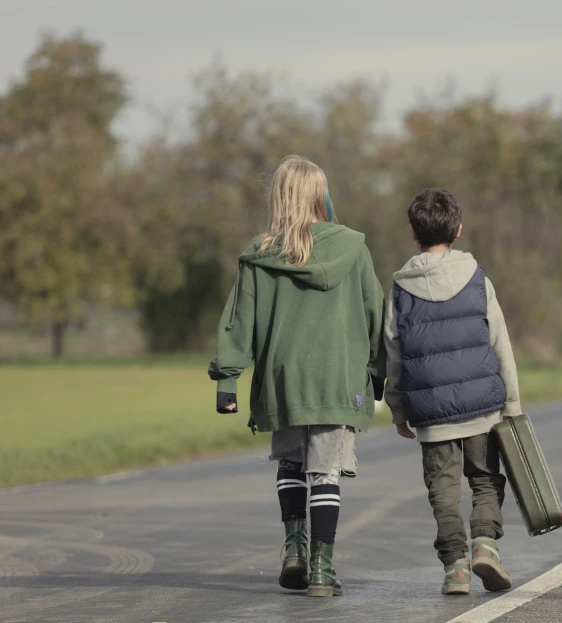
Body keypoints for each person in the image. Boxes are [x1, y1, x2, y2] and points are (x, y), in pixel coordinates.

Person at [208, 155, 385, 598]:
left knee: (291, 465)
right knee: (326, 473)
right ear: (320, 195)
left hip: (282, 382)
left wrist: (227, 381)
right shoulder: (353, 248)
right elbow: (376, 315)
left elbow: (239, 321)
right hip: (338, 381)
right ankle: (322, 571)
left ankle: (294, 551)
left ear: (279, 197)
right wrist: (379, 376)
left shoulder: (261, 255)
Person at [383, 187, 521, 595]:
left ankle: (456, 568)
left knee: (442, 490)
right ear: (458, 230)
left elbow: (393, 353)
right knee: (484, 479)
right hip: (482, 405)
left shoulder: (400, 289)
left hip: (430, 410)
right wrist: (512, 401)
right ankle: (485, 545)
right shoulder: (478, 278)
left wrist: (397, 408)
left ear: (413, 232)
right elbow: (500, 343)